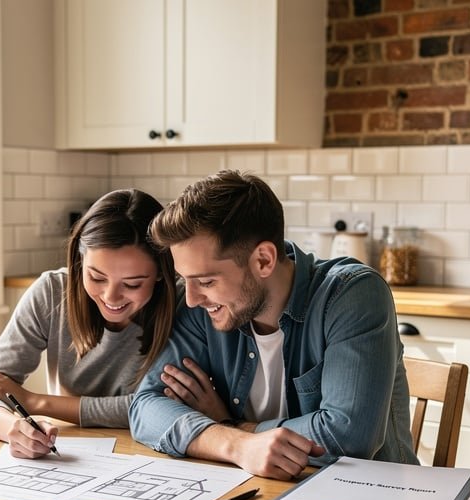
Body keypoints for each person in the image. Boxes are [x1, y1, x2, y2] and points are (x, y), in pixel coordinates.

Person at [129, 169, 418, 480]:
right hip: (259, 492)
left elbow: (346, 438)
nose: (192, 299)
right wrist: (235, 444)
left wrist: (232, 426)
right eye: (185, 279)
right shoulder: (203, 306)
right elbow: (145, 408)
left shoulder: (351, 295)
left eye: (207, 281)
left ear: (263, 260)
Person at [0, 189, 177, 458]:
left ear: (160, 272)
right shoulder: (51, 292)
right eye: (97, 278)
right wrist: (13, 428)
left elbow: (163, 407)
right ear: (80, 260)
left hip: (155, 456)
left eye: (133, 284)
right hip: (72, 456)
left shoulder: (183, 303)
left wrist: (36, 401)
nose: (111, 297)